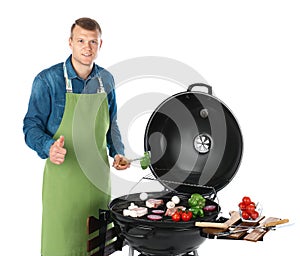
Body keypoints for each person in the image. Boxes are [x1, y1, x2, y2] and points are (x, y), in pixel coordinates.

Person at [23, 17, 130, 255]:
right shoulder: (47, 80)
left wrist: (118, 151)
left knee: (97, 245)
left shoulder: (107, 80)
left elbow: (111, 123)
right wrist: (48, 147)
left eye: (93, 41)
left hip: (97, 183)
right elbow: (31, 125)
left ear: (100, 45)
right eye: (81, 40)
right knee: (61, 246)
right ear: (70, 42)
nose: (87, 47)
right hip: (64, 184)